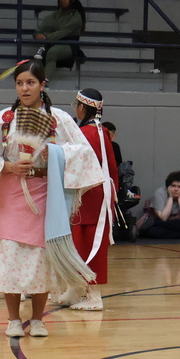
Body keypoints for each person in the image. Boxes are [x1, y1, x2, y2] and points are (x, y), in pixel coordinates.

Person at [0, 59, 104, 338]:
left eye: (31, 82)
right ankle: (13, 319)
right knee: (11, 256)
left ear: (42, 84)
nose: (25, 88)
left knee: (42, 259)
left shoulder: (59, 119)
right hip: (13, 196)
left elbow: (84, 153)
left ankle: (38, 319)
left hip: (45, 196)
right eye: (19, 83)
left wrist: (55, 154)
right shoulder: (5, 119)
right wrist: (8, 166)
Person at [53, 88, 118, 311]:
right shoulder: (97, 130)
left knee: (91, 243)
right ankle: (74, 287)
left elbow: (79, 163)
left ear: (82, 107)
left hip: (90, 195)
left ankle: (94, 296)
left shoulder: (88, 133)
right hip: (92, 194)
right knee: (77, 242)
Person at [32, 0, 85, 80]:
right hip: (52, 42)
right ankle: (37, 80)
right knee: (37, 58)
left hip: (69, 44)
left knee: (52, 52)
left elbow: (64, 32)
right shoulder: (54, 15)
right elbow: (43, 27)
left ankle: (46, 80)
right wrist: (38, 35)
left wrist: (45, 37)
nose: (63, 0)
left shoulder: (76, 17)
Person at [141, 171, 180, 239]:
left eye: (179, 187)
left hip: (178, 223)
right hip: (163, 222)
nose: (176, 189)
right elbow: (163, 218)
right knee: (153, 231)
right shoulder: (159, 193)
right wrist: (170, 198)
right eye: (173, 186)